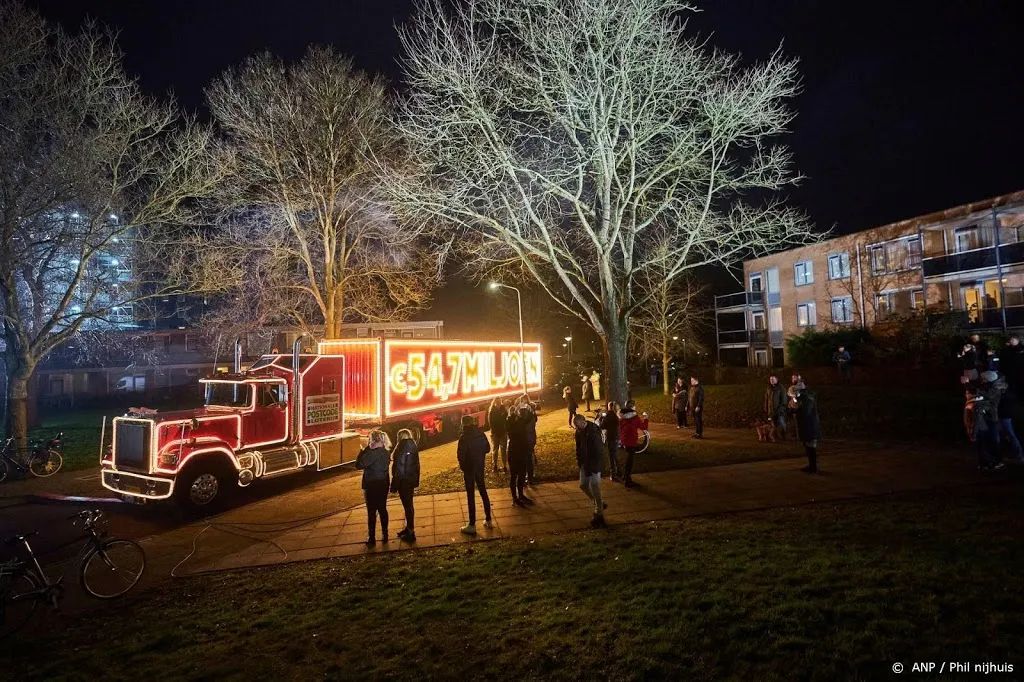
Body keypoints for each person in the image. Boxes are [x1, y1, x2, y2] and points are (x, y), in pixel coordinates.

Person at [456, 416, 493, 534]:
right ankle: (489, 519)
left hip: (469, 470)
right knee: (483, 492)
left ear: (463, 424)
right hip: (479, 467)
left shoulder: (464, 438)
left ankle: (472, 525)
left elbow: (461, 455)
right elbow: (487, 449)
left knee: (470, 496)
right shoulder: (480, 434)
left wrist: (464, 467)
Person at [356, 430, 391, 546]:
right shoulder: (386, 452)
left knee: (371, 512)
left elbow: (359, 465)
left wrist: (364, 450)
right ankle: (385, 535)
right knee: (382, 509)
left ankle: (372, 538)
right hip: (383, 484)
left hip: (371, 485)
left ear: (372, 439)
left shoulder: (370, 453)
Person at [574, 414, 607, 528]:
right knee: (583, 485)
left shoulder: (593, 431)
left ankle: (599, 513)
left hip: (594, 463)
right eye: (577, 427)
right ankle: (600, 503)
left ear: (584, 422)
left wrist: (595, 466)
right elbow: (578, 447)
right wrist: (580, 461)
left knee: (595, 485)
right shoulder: (578, 432)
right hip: (585, 462)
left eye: (579, 426)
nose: (578, 429)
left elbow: (599, 450)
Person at [390, 428, 421, 542]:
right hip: (410, 479)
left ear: (400, 437)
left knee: (407, 506)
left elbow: (399, 469)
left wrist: (394, 486)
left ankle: (411, 532)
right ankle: (408, 528)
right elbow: (417, 466)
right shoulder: (412, 446)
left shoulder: (402, 449)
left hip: (404, 481)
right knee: (409, 505)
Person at [970, 371, 1005, 471]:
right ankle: (989, 461)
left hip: (990, 419)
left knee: (992, 441)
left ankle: (995, 461)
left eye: (983, 379)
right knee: (987, 441)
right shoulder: (991, 389)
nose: (981, 380)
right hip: (988, 419)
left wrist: (975, 399)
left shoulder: (993, 391)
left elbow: (986, 400)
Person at [506, 405, 533, 505]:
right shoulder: (510, 422)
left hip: (521, 451)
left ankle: (520, 495)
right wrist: (513, 415)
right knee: (514, 475)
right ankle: (515, 497)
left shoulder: (520, 421)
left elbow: (530, 418)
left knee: (521, 474)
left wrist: (528, 408)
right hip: (514, 452)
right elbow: (510, 426)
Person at [994, 372, 1024, 462]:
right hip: (1004, 415)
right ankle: (1016, 455)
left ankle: (1019, 456)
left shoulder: (1001, 390)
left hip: (1004, 415)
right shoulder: (1005, 389)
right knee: (1005, 435)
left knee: (1009, 435)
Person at [619, 401, 648, 488]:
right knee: (630, 461)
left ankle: (625, 476)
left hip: (624, 440)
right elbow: (643, 427)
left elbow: (619, 427)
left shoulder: (621, 416)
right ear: (632, 407)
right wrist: (646, 418)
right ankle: (628, 480)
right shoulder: (635, 417)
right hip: (631, 440)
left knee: (628, 458)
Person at [793, 385, 821, 473]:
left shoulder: (807, 399)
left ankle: (813, 467)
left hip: (810, 426)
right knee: (808, 447)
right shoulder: (805, 398)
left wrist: (796, 408)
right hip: (808, 426)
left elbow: (806, 412)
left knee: (811, 447)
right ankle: (811, 465)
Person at [601, 401, 621, 481]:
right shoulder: (617, 415)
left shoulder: (609, 416)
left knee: (611, 456)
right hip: (616, 437)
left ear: (611, 407)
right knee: (615, 455)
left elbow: (602, 426)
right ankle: (619, 471)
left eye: (608, 406)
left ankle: (613, 474)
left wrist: (602, 419)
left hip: (611, 437)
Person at [488, 397, 508, 473]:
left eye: (500, 402)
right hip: (496, 433)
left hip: (502, 432)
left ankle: (504, 465)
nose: (499, 403)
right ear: (495, 402)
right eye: (498, 402)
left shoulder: (502, 409)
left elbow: (506, 418)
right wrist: (494, 432)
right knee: (495, 450)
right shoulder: (492, 411)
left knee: (503, 450)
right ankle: (495, 465)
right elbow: (491, 423)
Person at [764, 375, 787, 441]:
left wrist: (780, 409)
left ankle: (783, 436)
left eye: (773, 379)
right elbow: (766, 399)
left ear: (777, 380)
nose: (771, 380)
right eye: (770, 379)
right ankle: (775, 437)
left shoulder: (781, 388)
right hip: (771, 410)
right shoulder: (768, 388)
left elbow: (784, 401)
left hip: (779, 411)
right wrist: (766, 408)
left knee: (782, 424)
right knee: (773, 425)